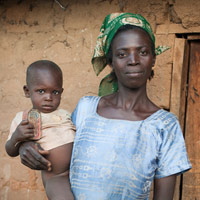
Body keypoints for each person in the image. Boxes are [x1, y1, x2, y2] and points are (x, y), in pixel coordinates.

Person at [18, 13, 191, 200]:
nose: (133, 60)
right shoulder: (86, 109)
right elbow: (56, 165)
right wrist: (25, 145)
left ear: (153, 58)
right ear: (111, 62)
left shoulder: (165, 125)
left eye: (142, 52)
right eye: (122, 54)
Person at [5, 60, 75, 200]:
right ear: (27, 91)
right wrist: (17, 138)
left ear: (61, 92)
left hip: (78, 168)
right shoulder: (24, 118)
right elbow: (10, 150)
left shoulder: (66, 114)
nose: (48, 98)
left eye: (55, 92)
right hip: (56, 176)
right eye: (41, 91)